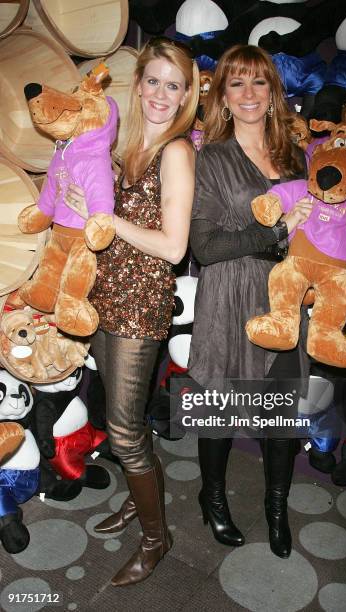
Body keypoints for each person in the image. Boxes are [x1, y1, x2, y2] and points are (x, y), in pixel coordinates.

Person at [188, 44, 346, 558]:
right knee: (219, 409)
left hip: (287, 297)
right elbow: (206, 246)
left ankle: (276, 507)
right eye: (235, 82)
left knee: (281, 413)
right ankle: (213, 498)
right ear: (221, 95)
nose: (247, 93)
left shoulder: (297, 156)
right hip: (229, 292)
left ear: (273, 92)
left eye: (258, 82)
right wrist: (276, 233)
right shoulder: (212, 158)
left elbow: (322, 226)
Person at [64, 37, 200, 586]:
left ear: (187, 93)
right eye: (153, 80)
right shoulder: (122, 141)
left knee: (122, 435)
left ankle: (155, 539)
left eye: (174, 85)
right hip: (103, 296)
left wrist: (107, 220)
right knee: (132, 426)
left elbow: (173, 246)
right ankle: (142, 507)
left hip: (140, 305)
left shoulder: (176, 151)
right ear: (137, 82)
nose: (161, 93)